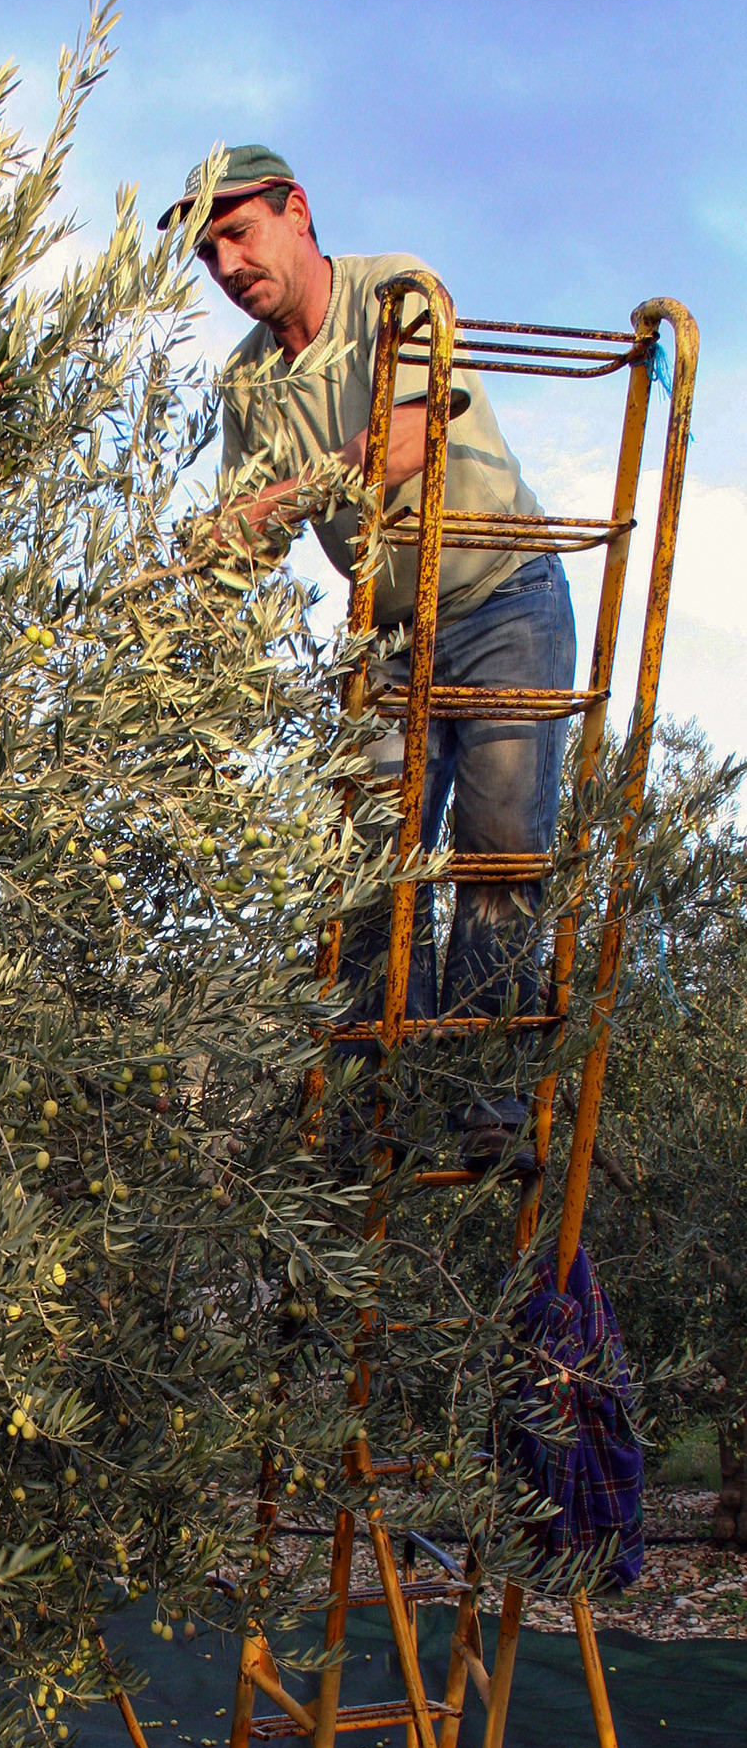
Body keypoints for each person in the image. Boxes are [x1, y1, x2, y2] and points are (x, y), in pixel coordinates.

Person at [158, 145, 576, 1167]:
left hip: (504, 598)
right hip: (387, 640)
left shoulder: (396, 290)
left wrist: (280, 499)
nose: (226, 264)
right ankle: (376, 1106)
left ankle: (488, 1105)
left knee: (494, 854)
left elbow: (411, 438)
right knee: (371, 872)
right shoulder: (247, 382)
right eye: (208, 253)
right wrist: (185, 601)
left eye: (237, 234)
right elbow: (247, 540)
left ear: (296, 211)